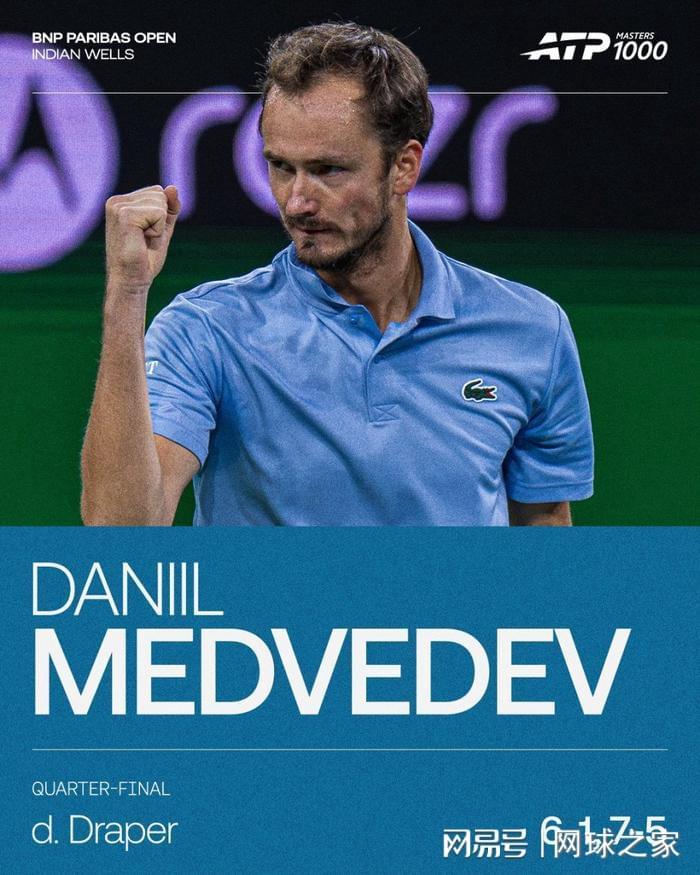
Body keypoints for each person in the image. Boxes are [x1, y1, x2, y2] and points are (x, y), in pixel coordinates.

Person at [81, 22, 593, 526]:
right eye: (281, 167)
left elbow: (543, 535)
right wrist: (128, 293)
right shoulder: (205, 330)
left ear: (404, 166)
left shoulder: (532, 330)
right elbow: (122, 533)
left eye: (328, 170)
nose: (297, 202)